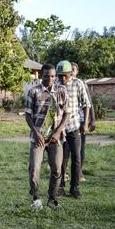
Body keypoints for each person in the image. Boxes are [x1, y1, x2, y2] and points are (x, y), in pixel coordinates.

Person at [25, 64, 69, 210]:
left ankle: (52, 198)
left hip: (56, 138)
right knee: (34, 168)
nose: (50, 78)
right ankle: (36, 198)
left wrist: (58, 132)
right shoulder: (33, 92)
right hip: (38, 138)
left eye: (52, 76)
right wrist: (36, 132)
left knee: (57, 169)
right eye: (46, 76)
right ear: (41, 76)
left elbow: (67, 114)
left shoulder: (62, 91)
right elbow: (28, 115)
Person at [56, 60, 91, 198]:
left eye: (65, 75)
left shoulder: (78, 83)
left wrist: (85, 123)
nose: (62, 78)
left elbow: (86, 104)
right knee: (61, 159)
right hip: (59, 128)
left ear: (71, 74)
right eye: (60, 76)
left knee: (76, 157)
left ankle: (74, 188)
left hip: (74, 126)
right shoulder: (55, 84)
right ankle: (60, 187)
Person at [72, 62, 96, 181]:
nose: (71, 72)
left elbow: (89, 104)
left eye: (73, 70)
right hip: (67, 122)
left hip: (81, 121)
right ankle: (65, 173)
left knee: (80, 148)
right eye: (69, 69)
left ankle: (79, 173)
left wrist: (92, 121)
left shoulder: (82, 84)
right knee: (65, 149)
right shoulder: (62, 83)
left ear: (77, 72)